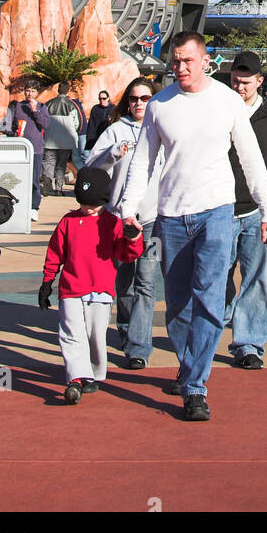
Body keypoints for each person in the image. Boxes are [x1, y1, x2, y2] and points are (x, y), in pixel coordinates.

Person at [119, 31, 267, 421]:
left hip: (217, 212)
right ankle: (189, 364)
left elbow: (252, 159)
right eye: (175, 61)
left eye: (188, 61)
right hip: (171, 215)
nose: (180, 68)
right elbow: (142, 162)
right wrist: (129, 209)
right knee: (176, 304)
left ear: (206, 61)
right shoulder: (159, 105)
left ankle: (195, 387)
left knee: (208, 296)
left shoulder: (227, 102)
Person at [39, 166, 143, 404]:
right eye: (84, 204)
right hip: (71, 289)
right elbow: (55, 253)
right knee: (71, 333)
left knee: (95, 335)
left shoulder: (113, 223)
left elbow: (128, 255)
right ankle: (76, 377)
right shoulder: (68, 222)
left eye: (94, 205)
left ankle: (93, 373)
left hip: (101, 290)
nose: (88, 209)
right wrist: (47, 281)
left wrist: (133, 238)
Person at [84, 77, 161, 368]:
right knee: (125, 283)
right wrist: (113, 154)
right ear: (127, 102)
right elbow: (91, 167)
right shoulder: (116, 130)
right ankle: (128, 332)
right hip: (119, 218)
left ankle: (139, 348)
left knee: (147, 281)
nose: (139, 103)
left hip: (152, 218)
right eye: (134, 98)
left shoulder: (161, 128)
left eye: (144, 98)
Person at [225, 52, 267, 368]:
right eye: (236, 81)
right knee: (215, 276)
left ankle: (249, 343)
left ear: (259, 81)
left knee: (256, 278)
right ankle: (214, 328)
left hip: (258, 212)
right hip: (221, 210)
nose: (240, 87)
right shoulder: (218, 112)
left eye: (246, 82)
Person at [0, 78, 50, 220]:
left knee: (34, 179)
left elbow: (45, 124)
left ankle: (34, 207)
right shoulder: (17, 106)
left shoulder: (42, 107)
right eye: (27, 90)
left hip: (36, 148)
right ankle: (18, 204)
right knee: (18, 178)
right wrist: (13, 133)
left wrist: (36, 111)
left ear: (37, 92)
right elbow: (5, 126)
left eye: (33, 91)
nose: (29, 93)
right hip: (19, 148)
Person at [42, 83, 80, 195]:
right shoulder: (71, 105)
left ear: (58, 90)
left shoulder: (49, 104)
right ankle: (59, 189)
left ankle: (47, 182)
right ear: (68, 91)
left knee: (49, 162)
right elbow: (76, 124)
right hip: (66, 141)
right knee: (61, 164)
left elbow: (43, 120)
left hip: (50, 139)